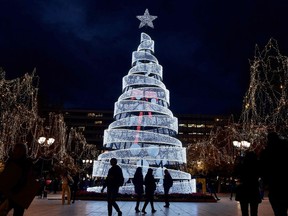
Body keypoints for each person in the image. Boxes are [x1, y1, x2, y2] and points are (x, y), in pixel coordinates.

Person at [0, 143, 40, 216]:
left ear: (23, 151)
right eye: (15, 150)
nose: (17, 152)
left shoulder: (27, 163)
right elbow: (6, 175)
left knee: (17, 212)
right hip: (9, 192)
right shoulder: (11, 161)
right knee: (3, 210)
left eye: (19, 150)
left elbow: (27, 177)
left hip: (20, 193)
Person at [259, 132, 288, 216]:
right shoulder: (284, 150)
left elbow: (263, 168)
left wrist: (265, 181)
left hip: (274, 185)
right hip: (284, 183)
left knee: (279, 211)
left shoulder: (266, 152)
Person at [234, 151, 262, 216]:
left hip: (243, 189)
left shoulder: (242, 165)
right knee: (254, 212)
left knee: (244, 211)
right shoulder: (257, 165)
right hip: (253, 188)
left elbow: (235, 173)